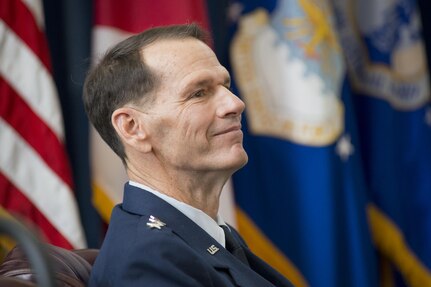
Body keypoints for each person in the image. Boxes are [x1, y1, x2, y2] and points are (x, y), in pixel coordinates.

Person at [83, 23, 294, 287]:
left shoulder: (202, 236)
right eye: (198, 93)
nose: (235, 103)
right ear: (132, 127)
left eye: (225, 86)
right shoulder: (147, 263)